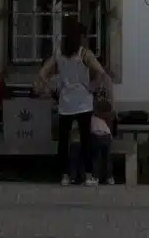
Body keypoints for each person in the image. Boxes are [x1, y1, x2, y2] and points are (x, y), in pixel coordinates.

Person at [35, 23, 110, 186]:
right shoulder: (85, 54)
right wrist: (92, 87)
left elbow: (42, 73)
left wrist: (51, 89)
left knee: (63, 140)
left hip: (65, 101)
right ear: (80, 37)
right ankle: (89, 174)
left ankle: (64, 175)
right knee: (85, 139)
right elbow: (101, 72)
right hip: (83, 101)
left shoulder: (59, 53)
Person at [89, 98, 117, 185]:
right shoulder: (110, 117)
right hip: (107, 136)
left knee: (96, 158)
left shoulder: (92, 117)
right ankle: (110, 178)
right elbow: (111, 129)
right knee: (107, 158)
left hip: (96, 136)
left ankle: (96, 177)